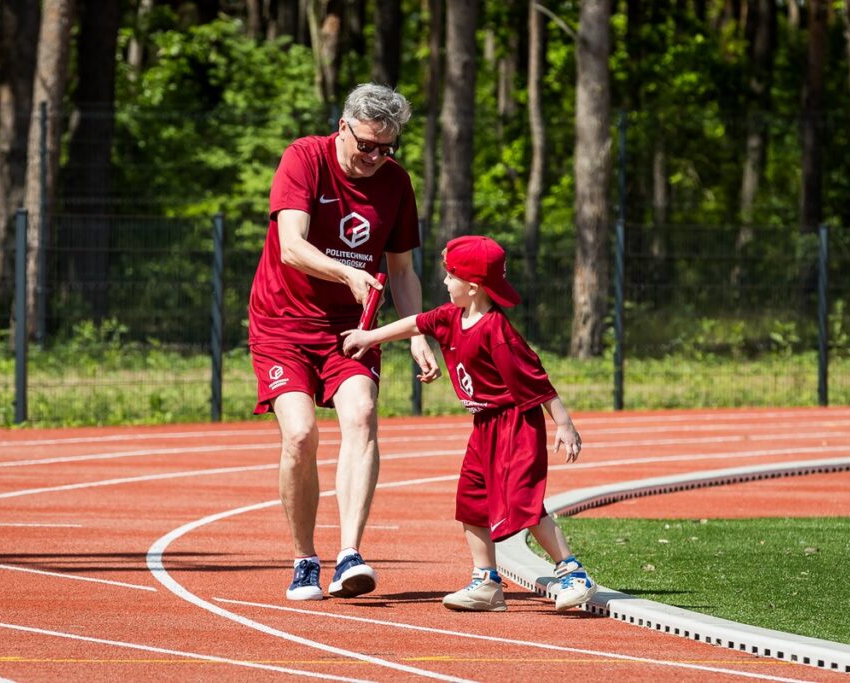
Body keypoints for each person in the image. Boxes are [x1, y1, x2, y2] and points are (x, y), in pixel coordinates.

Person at [248, 83, 441, 602]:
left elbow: (401, 270)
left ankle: (349, 554)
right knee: (301, 436)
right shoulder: (304, 159)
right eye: (367, 146)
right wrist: (348, 274)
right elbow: (291, 246)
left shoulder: (396, 184)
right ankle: (303, 558)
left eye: (388, 148)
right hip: (283, 324)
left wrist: (417, 330)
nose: (376, 158)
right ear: (343, 127)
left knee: (360, 416)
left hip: (352, 331)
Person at [342, 235, 598, 612]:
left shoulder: (497, 331)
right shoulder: (450, 317)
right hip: (483, 426)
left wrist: (564, 424)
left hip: (514, 425)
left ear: (473, 287)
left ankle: (573, 573)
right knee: (472, 502)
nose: (445, 283)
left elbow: (536, 380)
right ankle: (487, 582)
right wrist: (370, 336)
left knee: (523, 504)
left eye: (450, 276)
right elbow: (414, 323)